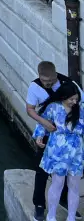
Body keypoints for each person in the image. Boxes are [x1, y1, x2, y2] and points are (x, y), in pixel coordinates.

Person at [27, 61, 83, 220]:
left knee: (72, 184)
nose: (48, 84)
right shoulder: (36, 88)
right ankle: (41, 207)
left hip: (74, 151)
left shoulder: (71, 87)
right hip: (54, 146)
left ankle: (68, 210)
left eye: (50, 81)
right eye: (45, 82)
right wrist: (42, 130)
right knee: (46, 176)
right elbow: (32, 111)